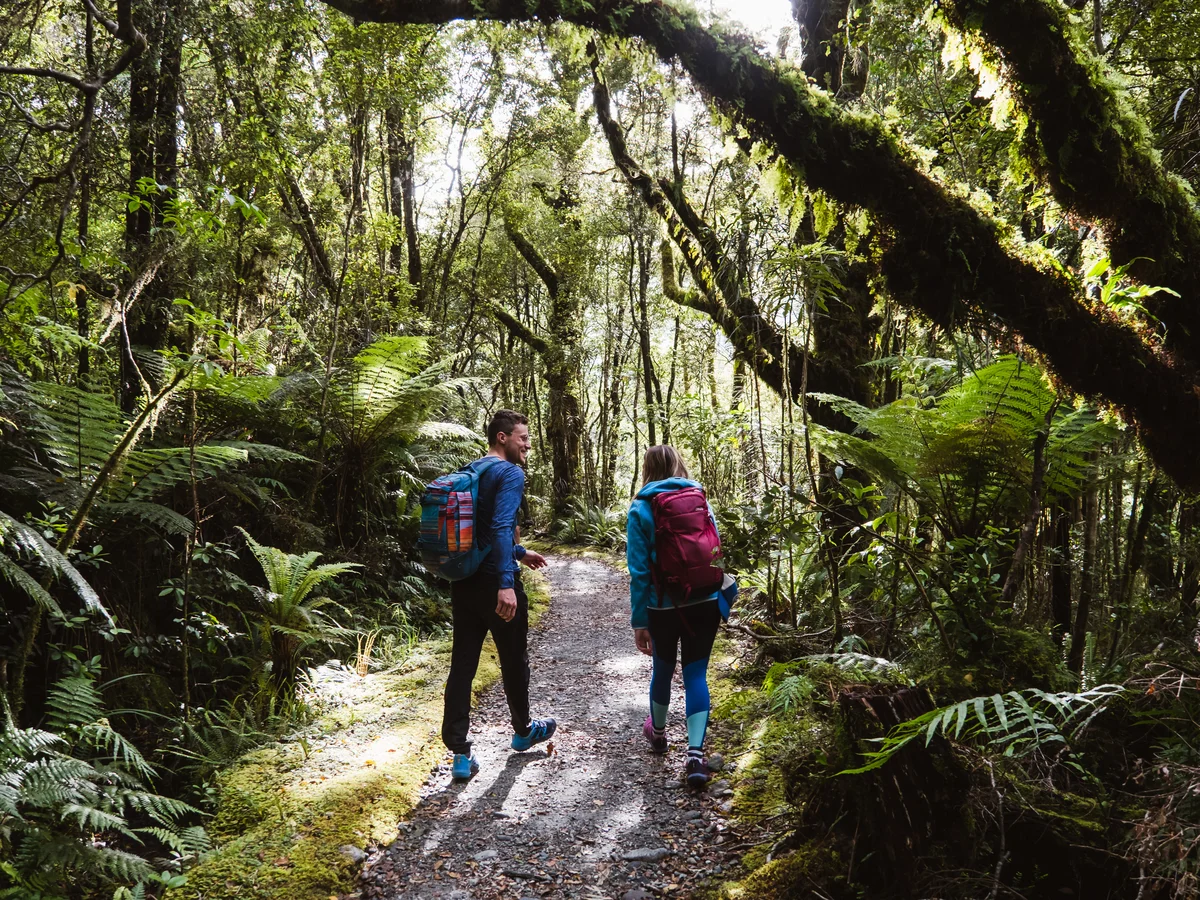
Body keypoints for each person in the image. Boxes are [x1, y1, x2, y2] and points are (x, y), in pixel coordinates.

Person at [441, 409, 554, 780]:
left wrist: (522, 553)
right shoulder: (510, 473)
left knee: (463, 664)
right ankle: (523, 732)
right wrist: (507, 581)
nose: (527, 445)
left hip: (464, 582)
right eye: (523, 437)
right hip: (495, 585)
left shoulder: (472, 469)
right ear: (502, 437)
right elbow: (504, 525)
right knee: (513, 660)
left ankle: (460, 754)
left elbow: (483, 530)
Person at [626, 445, 724, 789]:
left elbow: (638, 572)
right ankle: (695, 756)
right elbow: (715, 548)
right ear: (678, 464)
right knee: (696, 674)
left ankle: (659, 732)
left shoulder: (641, 506)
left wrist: (640, 622)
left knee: (663, 670)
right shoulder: (699, 496)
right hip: (706, 599)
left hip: (663, 606)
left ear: (646, 469)